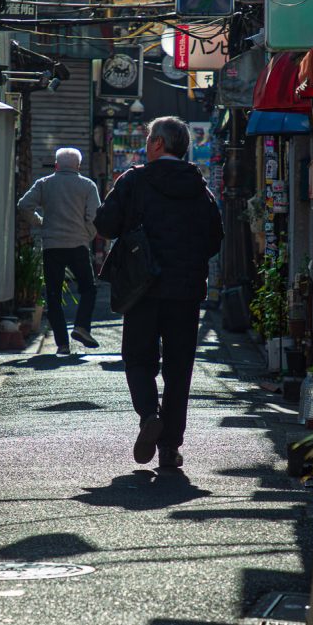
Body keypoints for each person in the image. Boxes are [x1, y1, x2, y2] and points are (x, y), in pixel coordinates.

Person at [94, 116, 223, 469]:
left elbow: (104, 225)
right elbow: (215, 239)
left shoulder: (134, 180)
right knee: (179, 368)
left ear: (158, 144)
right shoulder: (200, 188)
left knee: (138, 359)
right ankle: (169, 447)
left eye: (149, 138)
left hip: (142, 287)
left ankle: (149, 414)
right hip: (186, 290)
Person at [17, 147, 101, 356]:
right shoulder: (87, 185)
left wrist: (40, 223)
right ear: (78, 166)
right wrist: (86, 235)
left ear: (56, 164)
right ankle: (81, 326)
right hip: (78, 246)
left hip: (52, 246)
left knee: (53, 295)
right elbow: (95, 216)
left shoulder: (44, 184)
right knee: (88, 289)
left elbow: (24, 205)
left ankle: (62, 344)